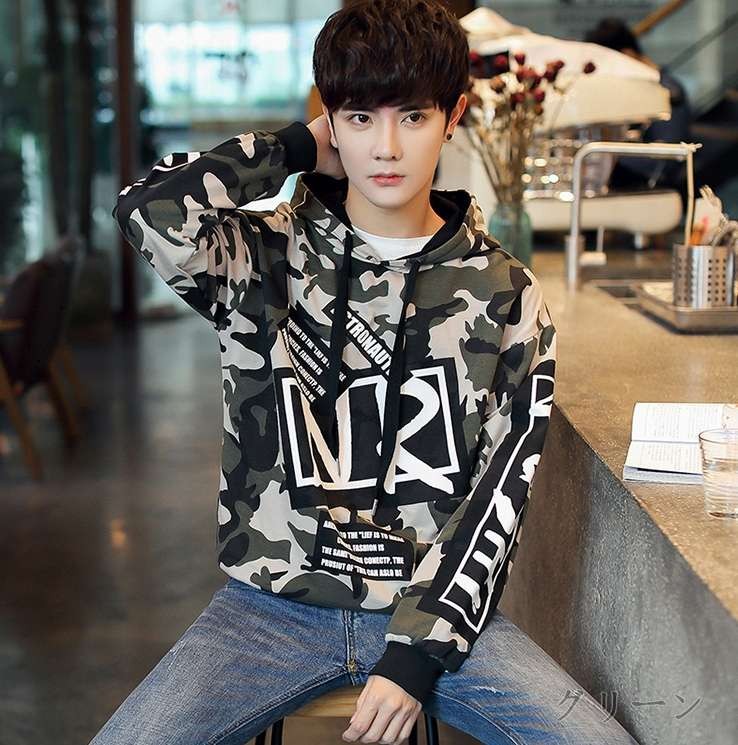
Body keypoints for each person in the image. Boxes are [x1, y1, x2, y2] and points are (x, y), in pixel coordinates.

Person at [93, 2, 639, 743]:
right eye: (359, 118)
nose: (385, 147)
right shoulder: (262, 257)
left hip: (432, 611)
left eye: (413, 117)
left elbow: (500, 492)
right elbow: (146, 208)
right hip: (270, 607)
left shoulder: (505, 293)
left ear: (454, 117)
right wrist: (294, 147)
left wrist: (416, 655)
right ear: (331, 122)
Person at [584, 17, 692, 199]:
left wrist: (611, 154)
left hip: (652, 191)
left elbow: (666, 159)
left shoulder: (666, 90)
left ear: (627, 55)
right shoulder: (645, 88)